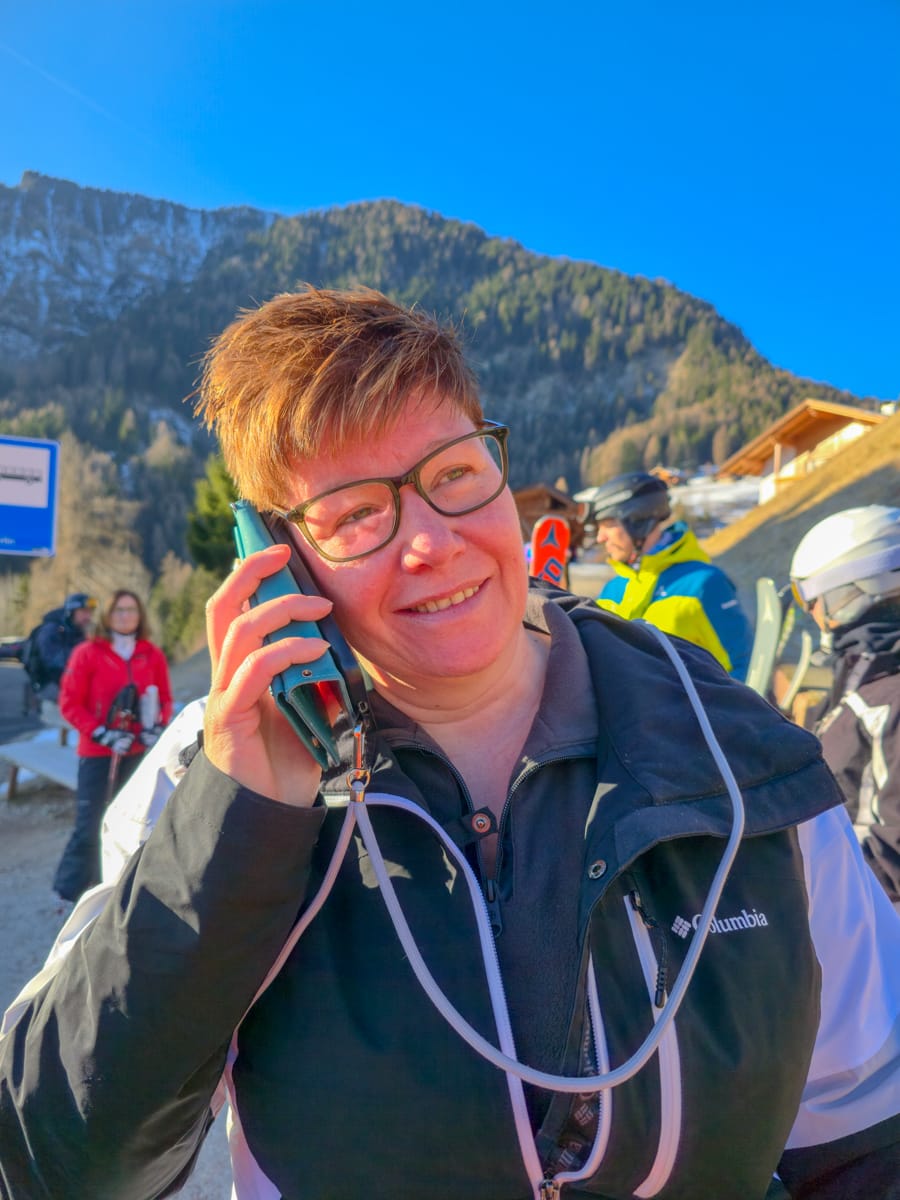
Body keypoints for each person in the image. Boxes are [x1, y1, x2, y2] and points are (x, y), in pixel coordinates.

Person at [2, 287, 900, 1200]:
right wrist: (236, 821)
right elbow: (60, 1159)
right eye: (354, 514)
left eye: (457, 474)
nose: (432, 540)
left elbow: (870, 1129)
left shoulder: (735, 749)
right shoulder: (211, 768)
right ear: (278, 555)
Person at [790, 504, 900, 912]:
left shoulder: (886, 696)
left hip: (873, 925)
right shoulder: (868, 679)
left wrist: (795, 883)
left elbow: (890, 852)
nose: (813, 614)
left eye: (812, 598)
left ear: (853, 593)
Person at [52, 589, 173, 904]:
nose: (125, 615)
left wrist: (156, 728)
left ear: (140, 614)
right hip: (98, 754)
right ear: (107, 615)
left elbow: (163, 697)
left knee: (133, 820)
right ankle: (70, 892)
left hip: (136, 752)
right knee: (91, 822)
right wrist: (101, 733)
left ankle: (119, 886)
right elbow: (69, 703)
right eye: (118, 610)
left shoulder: (151, 653)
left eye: (131, 609)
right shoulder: (89, 652)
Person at [589, 472, 754, 680]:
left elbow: (742, 670)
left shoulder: (704, 584)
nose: (600, 537)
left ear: (637, 520)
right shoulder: (611, 590)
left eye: (609, 524)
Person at [21, 591, 97, 703]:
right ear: (70, 612)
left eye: (90, 612)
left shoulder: (79, 631)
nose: (88, 616)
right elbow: (57, 663)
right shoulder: (51, 631)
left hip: (67, 683)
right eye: (83, 612)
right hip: (49, 685)